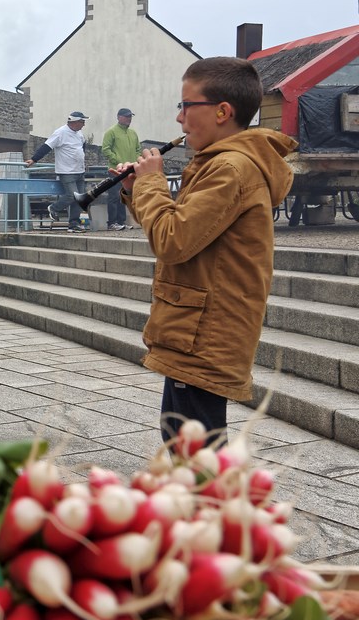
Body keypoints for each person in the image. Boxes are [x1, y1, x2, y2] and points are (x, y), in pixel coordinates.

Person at [116, 57, 295, 445]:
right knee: (186, 438)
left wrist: (151, 184)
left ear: (222, 111)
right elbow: (183, 230)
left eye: (186, 105)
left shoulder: (230, 168)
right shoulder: (222, 163)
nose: (180, 119)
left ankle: (213, 508)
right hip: (197, 326)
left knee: (194, 449)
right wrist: (135, 189)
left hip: (205, 331)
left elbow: (173, 240)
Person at [25, 111, 89, 233]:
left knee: (80, 198)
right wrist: (34, 159)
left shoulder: (79, 133)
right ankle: (53, 208)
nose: (83, 124)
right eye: (82, 122)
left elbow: (83, 146)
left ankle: (74, 224)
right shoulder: (60, 133)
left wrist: (82, 159)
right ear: (74, 122)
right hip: (67, 171)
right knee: (72, 195)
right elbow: (47, 146)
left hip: (79, 170)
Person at [101, 108, 141, 231]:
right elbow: (105, 149)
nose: (129, 119)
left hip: (129, 171)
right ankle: (111, 223)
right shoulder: (111, 132)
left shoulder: (133, 133)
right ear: (119, 117)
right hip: (115, 170)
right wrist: (118, 161)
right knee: (114, 196)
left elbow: (138, 149)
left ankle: (121, 221)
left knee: (124, 196)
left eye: (130, 116)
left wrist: (134, 163)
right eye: (127, 116)